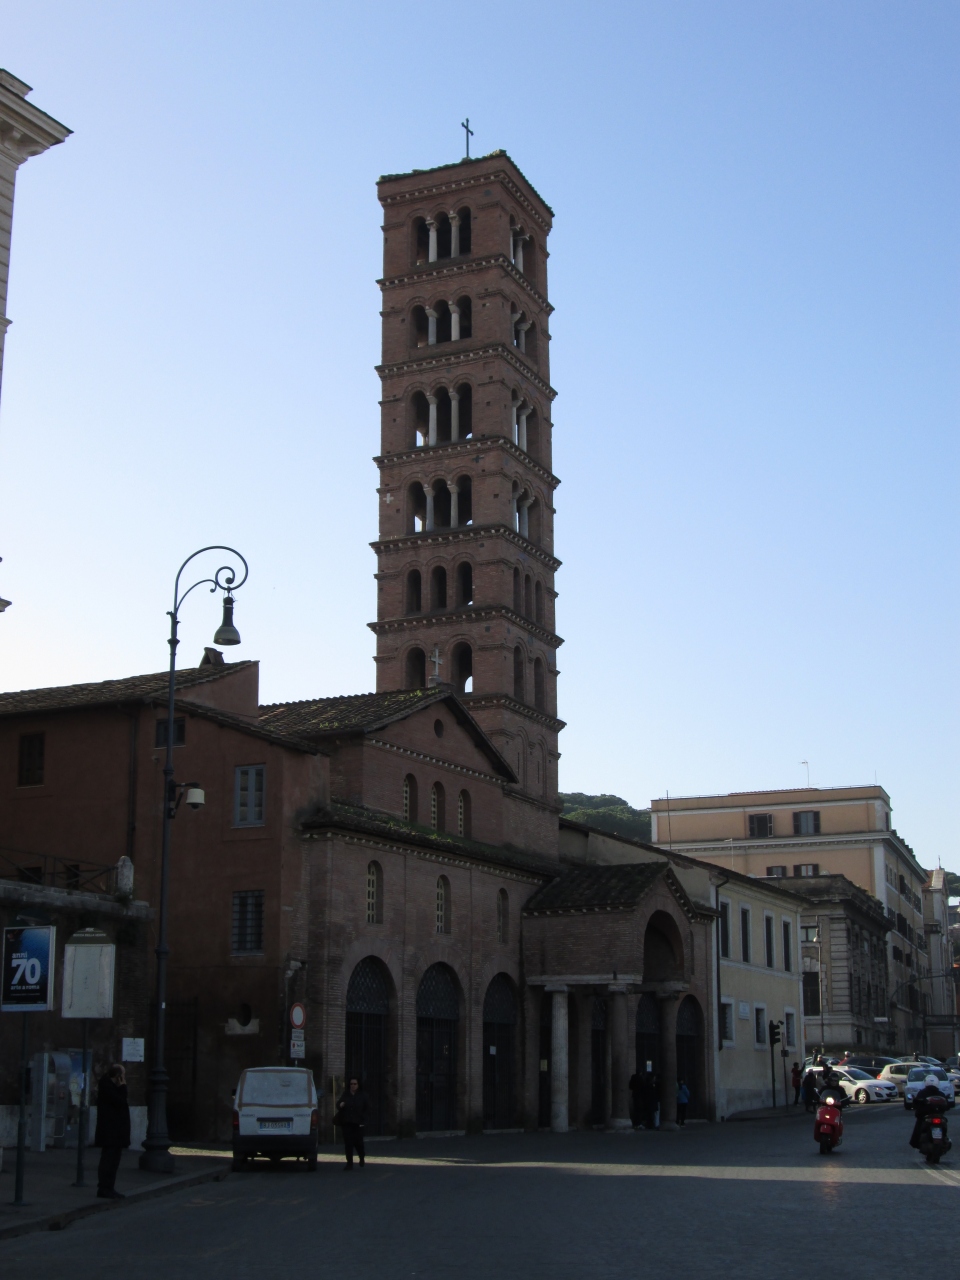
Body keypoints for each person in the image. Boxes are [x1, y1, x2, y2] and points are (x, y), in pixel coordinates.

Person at [94, 1063, 130, 1199]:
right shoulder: (109, 1087)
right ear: (118, 1076)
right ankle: (105, 1188)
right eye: (123, 1075)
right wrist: (123, 1086)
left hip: (113, 1132)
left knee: (112, 1161)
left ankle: (108, 1187)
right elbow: (120, 1101)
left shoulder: (108, 1086)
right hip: (111, 1132)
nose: (124, 1078)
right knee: (109, 1161)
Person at [336, 1077, 370, 1170]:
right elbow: (338, 1104)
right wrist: (340, 1105)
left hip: (358, 1123)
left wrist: (363, 1120)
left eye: (355, 1084)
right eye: (351, 1084)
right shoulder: (346, 1094)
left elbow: (367, 1109)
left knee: (358, 1143)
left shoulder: (363, 1095)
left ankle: (361, 1156)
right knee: (348, 1144)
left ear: (358, 1085)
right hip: (347, 1122)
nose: (353, 1086)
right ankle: (349, 1163)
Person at [910, 1074, 946, 1149]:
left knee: (919, 1125)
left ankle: (916, 1142)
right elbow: (948, 1105)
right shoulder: (941, 1093)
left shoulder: (922, 1093)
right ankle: (944, 1138)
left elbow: (916, 1105)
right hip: (935, 1116)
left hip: (928, 1116)